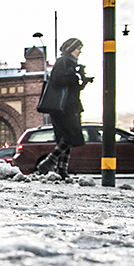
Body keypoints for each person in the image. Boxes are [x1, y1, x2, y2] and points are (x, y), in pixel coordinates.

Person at [37, 38, 93, 179]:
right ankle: (49, 161)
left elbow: (73, 88)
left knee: (65, 138)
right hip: (63, 107)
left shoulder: (71, 64)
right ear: (70, 48)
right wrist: (75, 75)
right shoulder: (63, 62)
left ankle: (62, 170)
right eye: (77, 49)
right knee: (70, 136)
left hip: (70, 105)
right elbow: (58, 80)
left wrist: (83, 80)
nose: (79, 52)